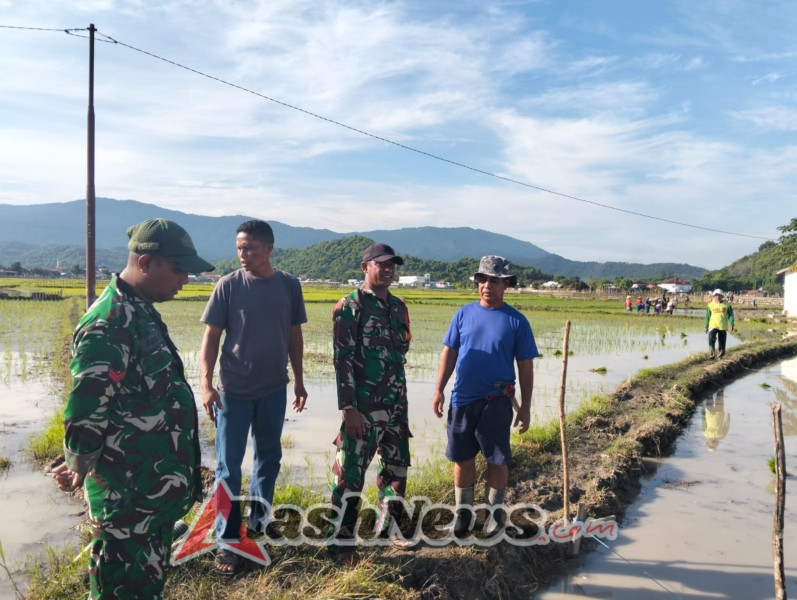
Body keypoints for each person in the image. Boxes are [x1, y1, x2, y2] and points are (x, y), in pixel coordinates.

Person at [51, 218, 214, 599]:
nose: (185, 279)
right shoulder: (109, 322)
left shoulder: (139, 310)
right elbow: (86, 406)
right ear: (145, 262)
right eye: (178, 269)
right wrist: (78, 462)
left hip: (150, 495)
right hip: (127, 503)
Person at [199, 219, 307, 574]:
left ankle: (258, 527)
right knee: (228, 467)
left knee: (269, 459)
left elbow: (294, 335)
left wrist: (299, 381)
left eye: (249, 248)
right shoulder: (229, 285)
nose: (242, 254)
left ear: (269, 249)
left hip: (274, 389)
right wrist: (206, 384)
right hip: (233, 391)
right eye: (239, 248)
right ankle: (227, 541)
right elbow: (211, 337)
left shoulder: (289, 285)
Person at [432, 256, 538, 537]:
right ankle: (463, 518)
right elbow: (449, 353)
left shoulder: (517, 321)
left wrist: (525, 406)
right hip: (462, 399)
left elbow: (525, 366)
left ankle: (494, 517)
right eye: (483, 280)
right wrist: (439, 389)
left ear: (506, 284)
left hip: (497, 401)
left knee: (497, 459)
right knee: (462, 458)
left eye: (494, 281)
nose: (487, 286)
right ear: (477, 283)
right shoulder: (463, 314)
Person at [328, 242, 412, 562]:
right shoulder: (350, 306)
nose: (389, 269)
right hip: (363, 408)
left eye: (392, 265)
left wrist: (400, 406)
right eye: (382, 264)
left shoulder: (398, 307)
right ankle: (342, 544)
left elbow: (399, 355)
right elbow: (343, 361)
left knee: (396, 469)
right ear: (365, 267)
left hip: (396, 405)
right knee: (350, 474)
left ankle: (389, 530)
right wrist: (349, 409)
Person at [705, 288, 735, 359]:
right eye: (716, 295)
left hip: (723, 325)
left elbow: (730, 315)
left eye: (719, 295)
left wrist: (731, 324)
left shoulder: (727, 305)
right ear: (714, 296)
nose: (717, 297)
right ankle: (711, 353)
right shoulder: (710, 305)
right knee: (711, 338)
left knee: (722, 340)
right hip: (713, 325)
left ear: (722, 296)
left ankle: (721, 353)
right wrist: (706, 326)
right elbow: (707, 316)